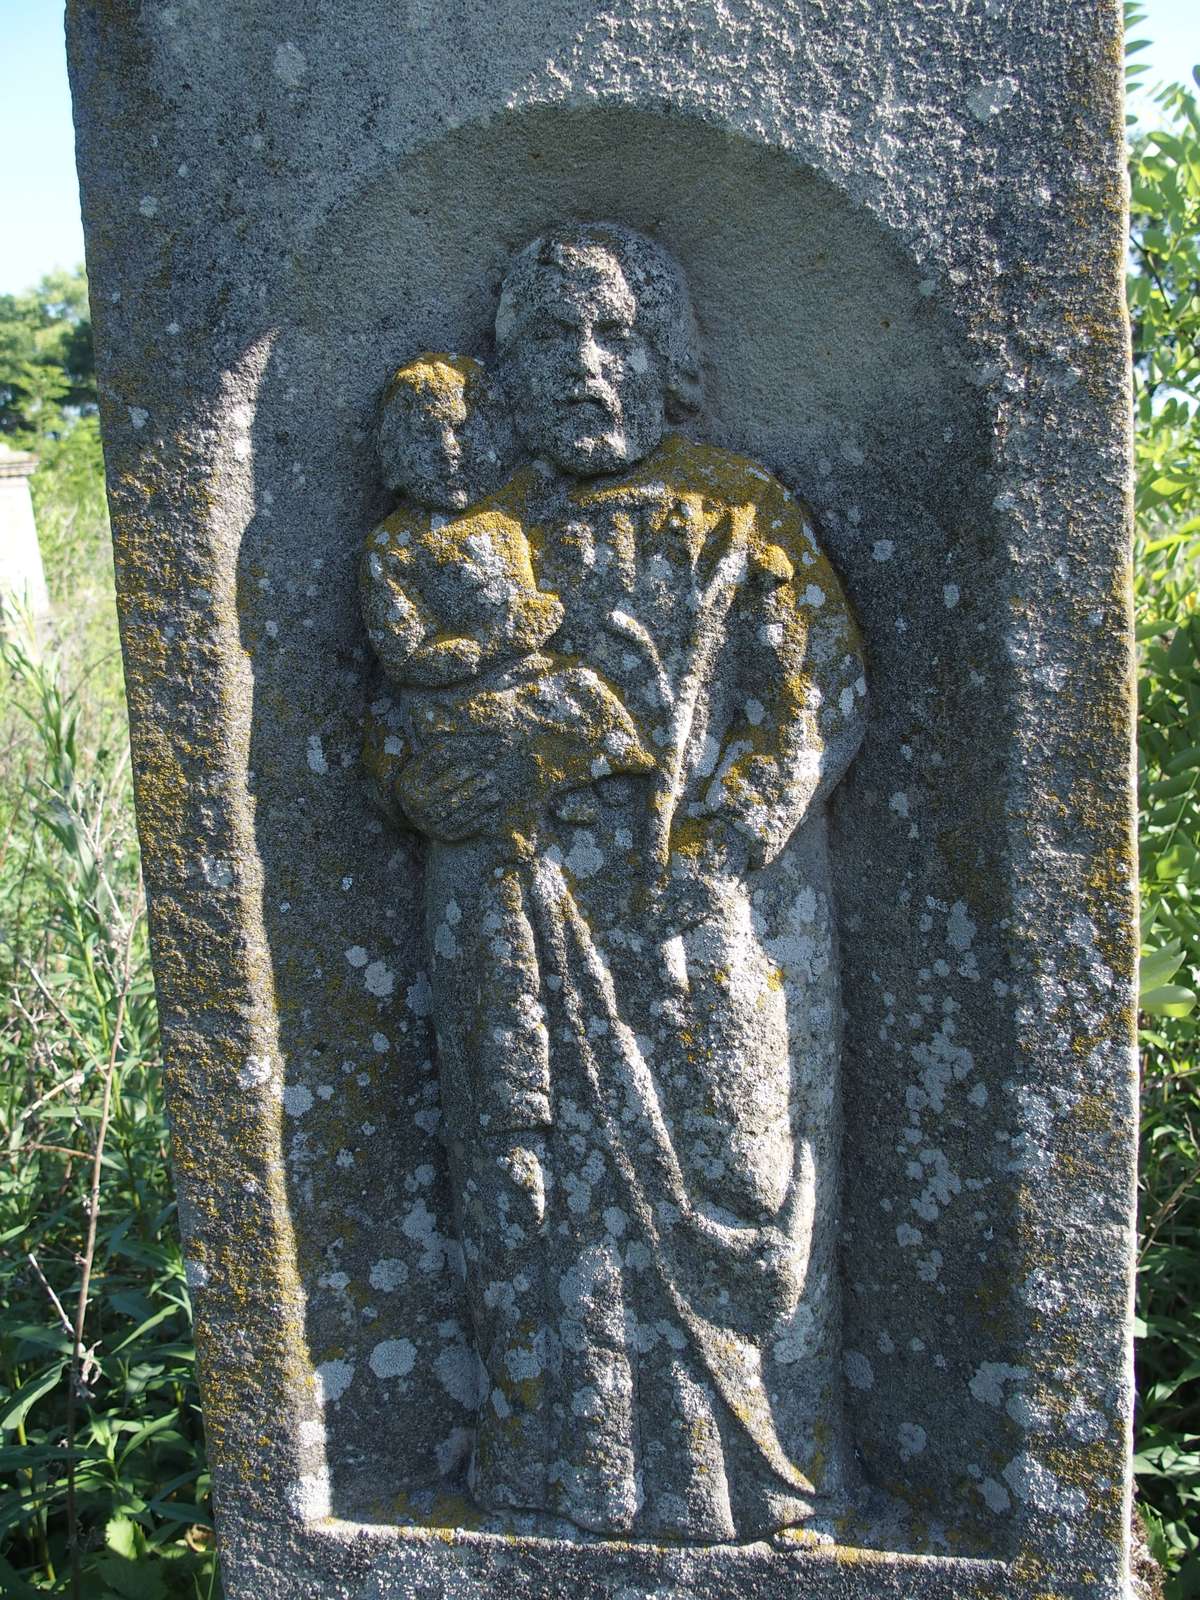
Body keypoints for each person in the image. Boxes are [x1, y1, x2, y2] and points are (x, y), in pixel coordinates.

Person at [365, 227, 867, 1541]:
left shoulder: (737, 508)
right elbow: (410, 748)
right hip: (525, 928)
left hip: (711, 929)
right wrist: (525, 742)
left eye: (617, 333)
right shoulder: (472, 533)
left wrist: (715, 852)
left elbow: (816, 699)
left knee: (739, 1180)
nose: (587, 365)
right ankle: (566, 1482)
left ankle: (758, 1488)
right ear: (506, 371)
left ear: (664, 356)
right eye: (551, 337)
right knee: (538, 1207)